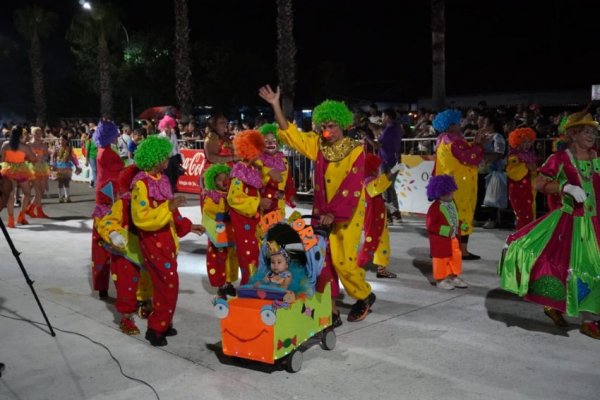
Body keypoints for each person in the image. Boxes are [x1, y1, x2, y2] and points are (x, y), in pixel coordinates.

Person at [259, 84, 375, 323]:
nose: (326, 131)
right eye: (323, 126)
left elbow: (351, 187)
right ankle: (330, 310)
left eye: (331, 126)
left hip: (347, 214)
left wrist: (334, 213)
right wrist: (275, 106)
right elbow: (292, 134)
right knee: (322, 262)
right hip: (322, 213)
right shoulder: (319, 145)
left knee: (343, 262)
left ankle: (364, 296)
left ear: (343, 124)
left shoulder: (355, 150)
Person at [499, 110, 600, 339]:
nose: (592, 135)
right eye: (586, 131)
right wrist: (566, 188)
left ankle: (556, 306)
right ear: (573, 134)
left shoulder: (597, 157)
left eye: (593, 132)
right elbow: (539, 182)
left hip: (596, 221)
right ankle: (588, 321)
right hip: (573, 222)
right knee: (583, 267)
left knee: (587, 267)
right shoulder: (560, 158)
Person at [130, 135, 205, 346]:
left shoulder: (161, 179)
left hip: (167, 242)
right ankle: (156, 329)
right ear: (154, 159)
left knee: (165, 284)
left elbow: (173, 213)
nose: (167, 161)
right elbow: (141, 217)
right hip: (153, 242)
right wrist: (168, 207)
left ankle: (164, 322)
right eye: (164, 157)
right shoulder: (141, 185)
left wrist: (189, 226)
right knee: (168, 283)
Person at [95, 164, 154, 335]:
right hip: (126, 250)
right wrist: (113, 233)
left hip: (145, 249)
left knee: (146, 279)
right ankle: (126, 316)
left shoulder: (154, 200)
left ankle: (144, 302)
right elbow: (108, 221)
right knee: (127, 284)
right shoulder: (123, 203)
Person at [432, 109, 484, 260]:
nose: (460, 125)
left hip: (448, 182)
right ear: (450, 125)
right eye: (457, 123)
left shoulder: (441, 139)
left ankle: (447, 246)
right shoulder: (454, 141)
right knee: (463, 215)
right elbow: (470, 157)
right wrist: (479, 145)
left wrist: (474, 143)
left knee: (449, 215)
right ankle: (463, 250)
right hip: (460, 184)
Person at [226, 129, 267, 285]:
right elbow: (234, 198)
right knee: (247, 253)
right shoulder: (239, 171)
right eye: (258, 149)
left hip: (253, 220)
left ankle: (254, 283)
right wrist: (258, 203)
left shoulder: (252, 169)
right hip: (243, 222)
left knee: (255, 252)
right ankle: (248, 285)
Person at [92, 120, 124, 299]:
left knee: (99, 241)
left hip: (103, 194)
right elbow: (117, 173)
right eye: (115, 133)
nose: (118, 135)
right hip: (110, 195)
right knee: (113, 239)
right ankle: (121, 285)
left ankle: (102, 284)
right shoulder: (109, 153)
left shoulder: (101, 151)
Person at [357, 153, 402, 278]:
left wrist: (385, 204)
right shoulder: (368, 181)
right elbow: (379, 186)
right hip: (373, 219)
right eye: (377, 167)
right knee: (371, 243)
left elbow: (375, 195)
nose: (378, 169)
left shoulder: (367, 181)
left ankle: (381, 269)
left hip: (378, 217)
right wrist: (392, 172)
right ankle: (356, 266)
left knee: (382, 242)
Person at [202, 163, 239, 298]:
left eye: (226, 178)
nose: (223, 182)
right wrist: (226, 210)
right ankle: (221, 284)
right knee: (219, 257)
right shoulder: (212, 195)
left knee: (231, 256)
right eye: (219, 179)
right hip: (218, 232)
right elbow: (209, 211)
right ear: (213, 181)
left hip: (230, 231)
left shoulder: (232, 193)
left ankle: (228, 282)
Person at [426, 175, 469, 290]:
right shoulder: (434, 208)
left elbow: (454, 219)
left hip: (454, 239)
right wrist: (445, 230)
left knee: (455, 258)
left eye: (451, 192)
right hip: (441, 241)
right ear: (438, 194)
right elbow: (431, 225)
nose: (450, 195)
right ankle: (440, 280)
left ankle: (453, 276)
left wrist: (462, 225)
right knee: (441, 260)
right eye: (447, 193)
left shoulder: (452, 203)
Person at [255, 122, 297, 218]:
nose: (270, 143)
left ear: (278, 143)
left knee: (277, 229)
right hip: (263, 204)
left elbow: (288, 181)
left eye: (273, 140)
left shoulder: (283, 160)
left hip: (279, 206)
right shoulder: (258, 160)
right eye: (266, 141)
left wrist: (290, 195)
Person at [0, 126, 35, 228]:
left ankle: (11, 220)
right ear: (21, 135)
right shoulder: (24, 146)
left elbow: (2, 159)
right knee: (27, 194)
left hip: (8, 169)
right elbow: (33, 158)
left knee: (10, 195)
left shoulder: (6, 144)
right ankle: (21, 217)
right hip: (21, 170)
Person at [506, 127, 537, 230]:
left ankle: (526, 240)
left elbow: (534, 173)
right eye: (524, 142)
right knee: (524, 217)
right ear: (517, 142)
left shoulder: (530, 156)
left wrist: (533, 170)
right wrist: (526, 167)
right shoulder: (514, 157)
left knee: (530, 215)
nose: (527, 144)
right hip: (518, 191)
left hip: (529, 190)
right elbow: (513, 174)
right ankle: (520, 240)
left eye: (529, 142)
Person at [26, 126, 51, 219]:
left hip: (43, 167)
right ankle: (39, 211)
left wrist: (43, 157)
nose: (39, 135)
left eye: (40, 133)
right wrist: (33, 158)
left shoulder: (43, 144)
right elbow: (26, 157)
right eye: (36, 133)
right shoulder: (28, 144)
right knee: (38, 191)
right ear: (32, 134)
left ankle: (31, 208)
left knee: (42, 190)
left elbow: (46, 156)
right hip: (33, 168)